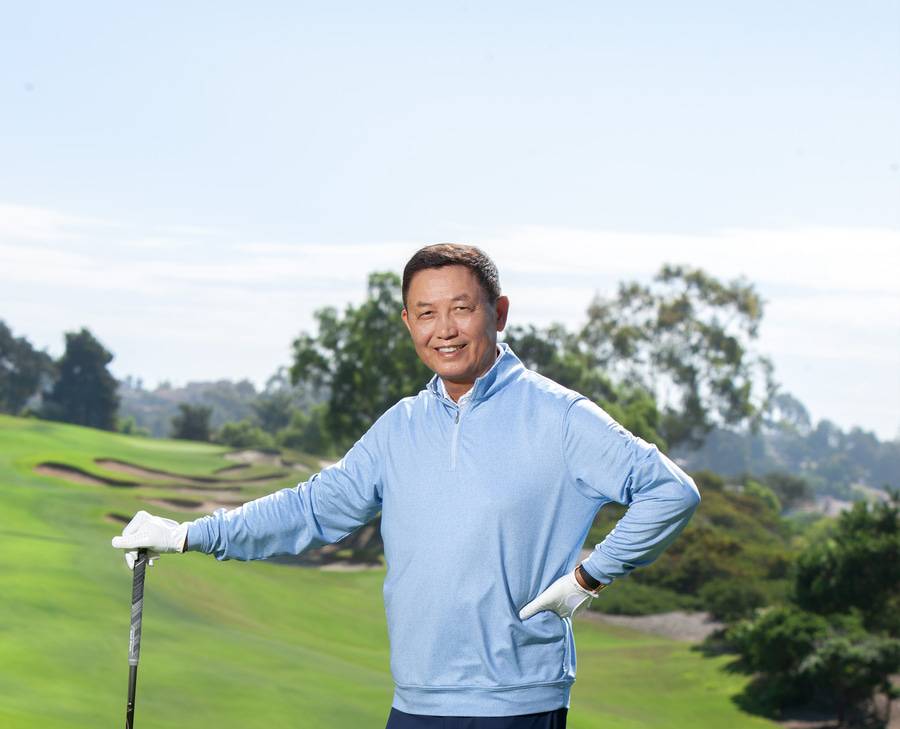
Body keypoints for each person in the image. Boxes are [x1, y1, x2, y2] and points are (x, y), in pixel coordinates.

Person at [112, 244, 700, 729]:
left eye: (461, 309)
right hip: (415, 703)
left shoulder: (560, 416)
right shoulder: (401, 426)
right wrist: (188, 534)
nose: (444, 330)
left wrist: (588, 578)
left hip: (516, 702)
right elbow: (314, 508)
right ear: (407, 323)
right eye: (425, 313)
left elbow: (670, 491)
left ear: (498, 311)